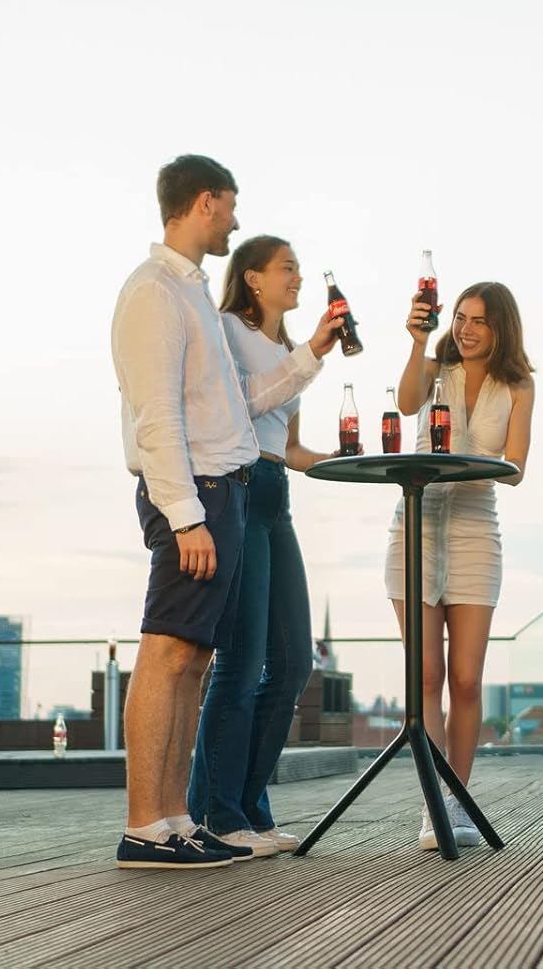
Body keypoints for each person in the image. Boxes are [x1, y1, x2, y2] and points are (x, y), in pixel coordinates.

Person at [109, 154, 255, 868]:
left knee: (193, 660)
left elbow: (216, 405)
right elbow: (157, 414)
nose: (235, 219)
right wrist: (186, 515)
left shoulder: (191, 291)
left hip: (220, 491)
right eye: (230, 204)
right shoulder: (154, 291)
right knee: (166, 651)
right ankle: (143, 826)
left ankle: (173, 819)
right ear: (204, 201)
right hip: (192, 494)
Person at [185, 234, 343, 858]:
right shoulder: (227, 330)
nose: (297, 278)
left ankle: (246, 805)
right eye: (287, 268)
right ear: (252, 278)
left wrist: (340, 460)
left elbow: (289, 446)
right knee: (242, 661)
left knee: (295, 661)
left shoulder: (285, 349)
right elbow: (238, 408)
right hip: (241, 490)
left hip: (277, 494)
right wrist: (311, 355)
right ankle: (217, 811)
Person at [389, 281, 535, 849]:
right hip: (416, 529)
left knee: (467, 680)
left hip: (476, 533)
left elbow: (516, 467)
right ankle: (432, 804)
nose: (467, 330)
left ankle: (458, 801)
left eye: (479, 321)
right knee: (425, 676)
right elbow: (406, 404)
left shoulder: (518, 384)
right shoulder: (434, 369)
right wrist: (416, 342)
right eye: (461, 318)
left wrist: (460, 466)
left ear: (501, 329)